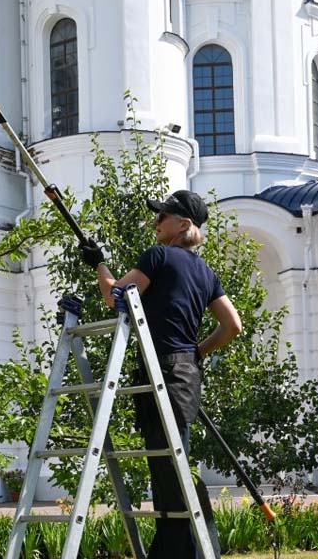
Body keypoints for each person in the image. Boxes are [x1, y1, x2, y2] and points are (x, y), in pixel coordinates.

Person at [80, 189, 242, 559]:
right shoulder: (206, 271)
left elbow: (115, 298)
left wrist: (98, 264)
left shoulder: (158, 256)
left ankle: (185, 550)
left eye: (162, 216)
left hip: (160, 373)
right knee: (173, 467)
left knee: (170, 472)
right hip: (184, 374)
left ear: (183, 224)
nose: (155, 222)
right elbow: (233, 325)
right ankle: (181, 549)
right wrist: (196, 352)